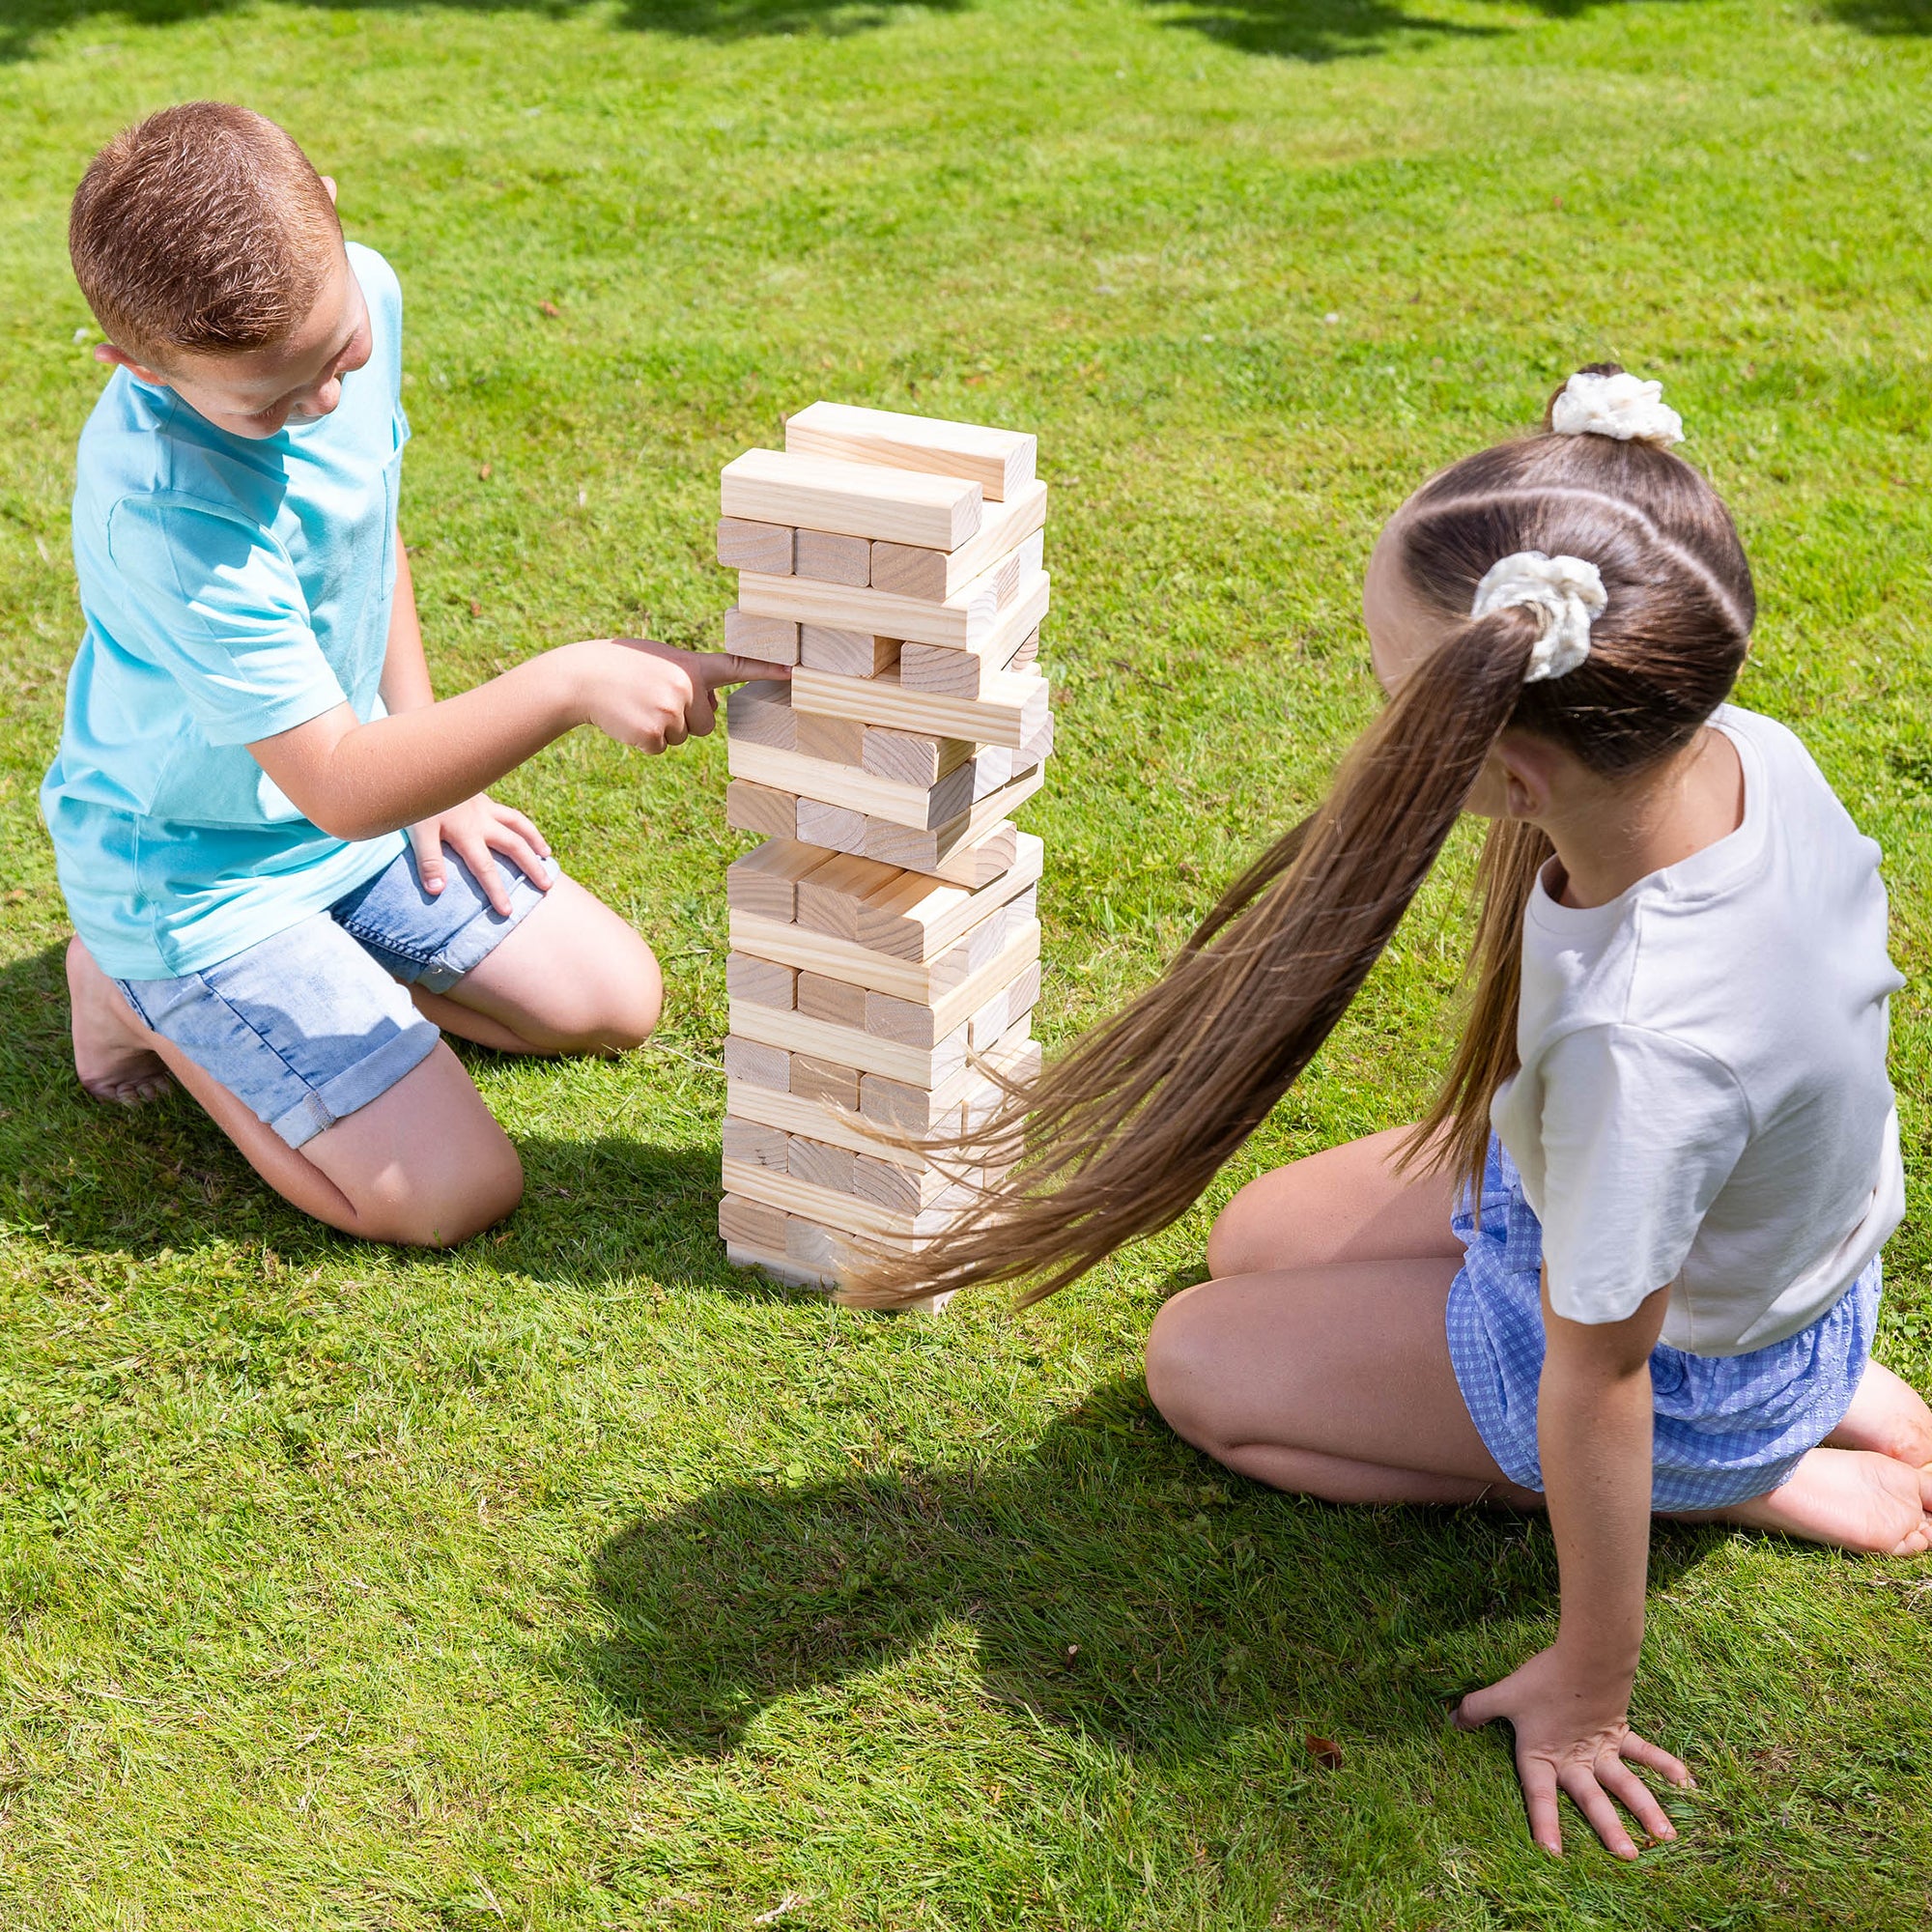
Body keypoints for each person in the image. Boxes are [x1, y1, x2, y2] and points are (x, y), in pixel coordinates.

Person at [843, 367, 1932, 1858]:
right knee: (1249, 1242)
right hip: (1743, 1257)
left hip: (1666, 1371)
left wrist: (1591, 1695)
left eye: (1391, 691)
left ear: (1512, 764)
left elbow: (1597, 1375)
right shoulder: (1743, 752)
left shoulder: (1652, 1050)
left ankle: (1746, 1478)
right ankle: (1795, 1404)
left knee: (1194, 1368)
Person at [43, 102, 772, 1246]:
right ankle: (136, 992)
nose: (321, 405)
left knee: (612, 1000)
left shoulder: (363, 287)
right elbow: (338, 781)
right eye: (269, 403)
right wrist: (567, 678)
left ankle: (299, 982)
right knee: (449, 1193)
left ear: (330, 214)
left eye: (335, 360)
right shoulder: (168, 508)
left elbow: (366, 536)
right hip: (199, 881)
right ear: (135, 367)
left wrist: (439, 773)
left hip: (347, 815)